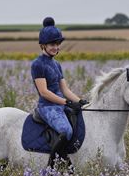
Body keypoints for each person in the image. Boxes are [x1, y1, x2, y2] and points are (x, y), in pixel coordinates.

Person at [31, 17, 88, 168]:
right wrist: (65, 102)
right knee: (66, 130)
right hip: (47, 107)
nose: (55, 47)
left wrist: (80, 101)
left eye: (57, 44)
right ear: (43, 45)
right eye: (52, 44)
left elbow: (64, 89)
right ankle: (52, 167)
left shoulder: (56, 64)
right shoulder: (38, 64)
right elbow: (44, 92)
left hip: (61, 105)